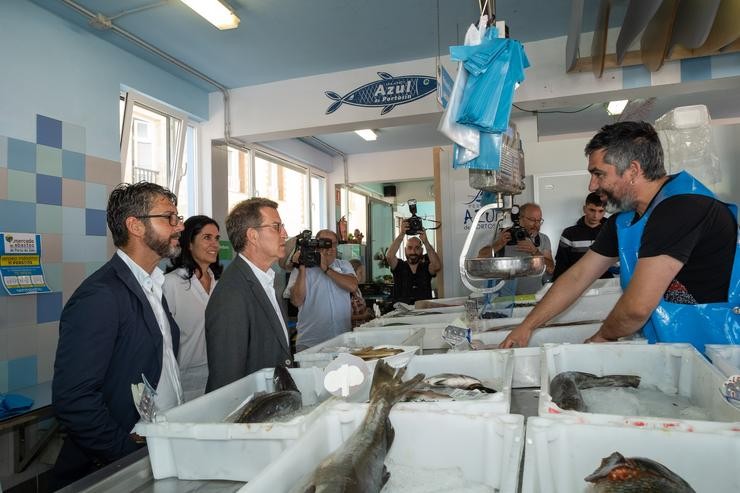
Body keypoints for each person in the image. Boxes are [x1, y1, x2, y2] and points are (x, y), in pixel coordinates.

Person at [500, 121, 739, 351]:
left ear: (633, 170)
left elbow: (637, 308)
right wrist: (527, 326)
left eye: (599, 174)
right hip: (670, 349)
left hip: (716, 353)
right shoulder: (624, 220)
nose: (592, 186)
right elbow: (577, 277)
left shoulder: (682, 209)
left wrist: (601, 337)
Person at [52, 182, 184, 486]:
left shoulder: (153, 285)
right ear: (135, 226)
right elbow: (74, 399)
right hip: (121, 467)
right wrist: (125, 454)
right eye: (169, 218)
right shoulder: (102, 295)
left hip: (160, 450)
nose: (178, 227)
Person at [205, 198, 292, 392]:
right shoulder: (232, 293)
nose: (284, 234)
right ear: (253, 236)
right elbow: (227, 380)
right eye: (276, 227)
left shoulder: (266, 281)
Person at [163, 215, 223, 401]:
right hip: (185, 379)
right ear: (189, 244)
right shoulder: (171, 283)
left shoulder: (220, 283)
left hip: (218, 373)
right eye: (207, 237)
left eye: (216, 238)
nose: (215, 244)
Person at [287, 230, 358, 351]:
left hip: (342, 342)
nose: (328, 248)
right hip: (310, 343)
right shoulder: (301, 270)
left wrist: (326, 268)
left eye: (332, 244)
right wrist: (302, 268)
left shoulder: (344, 265)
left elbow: (352, 286)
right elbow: (296, 301)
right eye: (323, 244)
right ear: (315, 245)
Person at [478, 203, 555, 294]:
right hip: (504, 299)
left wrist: (535, 251)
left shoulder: (543, 239)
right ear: (520, 218)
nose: (537, 225)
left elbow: (550, 268)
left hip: (533, 297)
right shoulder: (504, 235)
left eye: (539, 221)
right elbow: (480, 258)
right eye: (532, 220)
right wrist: (498, 244)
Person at [552, 192, 613, 280]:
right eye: (592, 210)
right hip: (576, 284)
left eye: (600, 211)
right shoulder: (569, 233)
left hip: (606, 283)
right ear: (584, 209)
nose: (596, 215)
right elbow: (561, 264)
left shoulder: (612, 232)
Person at [386, 222, 442, 305]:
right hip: (401, 314)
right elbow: (389, 256)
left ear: (422, 251)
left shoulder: (426, 267)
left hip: (424, 313)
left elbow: (437, 266)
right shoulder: (399, 266)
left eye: (417, 248)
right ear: (405, 250)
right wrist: (402, 234)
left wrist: (426, 242)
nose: (413, 252)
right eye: (409, 248)